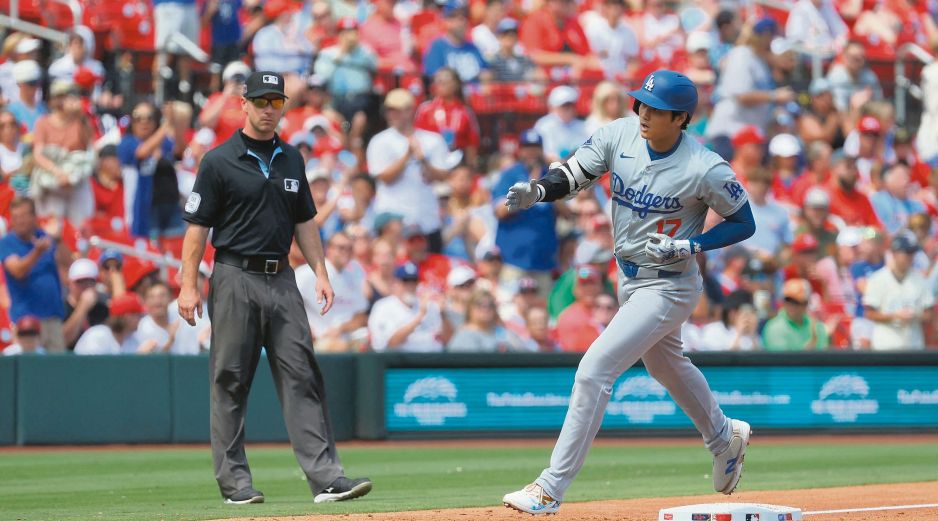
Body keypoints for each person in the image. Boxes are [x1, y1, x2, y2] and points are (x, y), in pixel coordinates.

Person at [501, 70, 756, 514]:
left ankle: (549, 488)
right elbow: (575, 172)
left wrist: (693, 244)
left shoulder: (704, 165)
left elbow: (744, 220)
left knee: (594, 370)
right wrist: (539, 189)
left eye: (655, 109)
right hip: (629, 277)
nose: (643, 112)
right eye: (641, 102)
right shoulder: (619, 134)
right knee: (665, 364)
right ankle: (724, 437)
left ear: (680, 118)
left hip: (670, 284)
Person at [177, 71, 371, 505]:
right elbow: (196, 231)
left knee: (302, 371)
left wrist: (320, 272)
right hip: (232, 274)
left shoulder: (291, 158)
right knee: (230, 378)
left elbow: (305, 221)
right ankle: (235, 484)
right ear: (243, 104)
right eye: (261, 101)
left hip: (281, 275)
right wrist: (188, 285)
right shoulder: (218, 160)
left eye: (276, 102)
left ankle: (326, 478)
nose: (268, 110)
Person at [366, 89, 452, 252]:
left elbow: (442, 175)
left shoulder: (432, 139)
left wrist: (423, 160)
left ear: (410, 111)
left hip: (426, 218)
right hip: (394, 219)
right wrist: (407, 155)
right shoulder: (380, 141)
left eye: (398, 111)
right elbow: (384, 177)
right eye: (390, 111)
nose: (393, 115)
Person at [705, 18, 795, 159]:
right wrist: (775, 96)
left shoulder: (761, 62)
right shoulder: (742, 54)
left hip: (750, 137)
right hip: (730, 133)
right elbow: (742, 96)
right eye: (769, 37)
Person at [0, 197, 70, 352]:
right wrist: (37, 252)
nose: (19, 221)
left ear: (34, 217)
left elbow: (68, 262)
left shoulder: (44, 237)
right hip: (26, 321)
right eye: (15, 217)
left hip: (52, 318)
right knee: (29, 369)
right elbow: (18, 271)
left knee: (57, 370)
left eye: (23, 216)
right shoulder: (7, 243)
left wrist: (58, 240)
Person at [491, 130, 559, 286]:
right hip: (513, 260)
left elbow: (568, 213)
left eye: (536, 148)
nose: (532, 153)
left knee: (542, 309)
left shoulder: (551, 175)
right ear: (520, 150)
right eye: (528, 148)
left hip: (544, 261)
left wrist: (551, 185)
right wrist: (528, 191)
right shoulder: (510, 174)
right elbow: (499, 211)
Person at [30, 80, 95, 225]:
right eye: (58, 96)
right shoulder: (43, 122)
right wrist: (58, 172)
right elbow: (38, 154)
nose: (62, 101)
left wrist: (81, 115)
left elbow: (89, 146)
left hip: (76, 181)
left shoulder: (79, 121)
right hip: (52, 182)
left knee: (81, 225)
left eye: (66, 96)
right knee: (53, 226)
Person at [295, 232, 370, 352]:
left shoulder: (354, 274)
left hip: (346, 338)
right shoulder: (306, 273)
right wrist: (308, 330)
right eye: (341, 248)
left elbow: (361, 316)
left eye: (349, 248)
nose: (345, 252)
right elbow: (290, 305)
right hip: (315, 339)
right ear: (328, 249)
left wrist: (340, 329)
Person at [862, 231, 934, 350]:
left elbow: (929, 314)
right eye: (906, 253)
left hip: (913, 346)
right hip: (885, 346)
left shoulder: (920, 280)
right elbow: (869, 313)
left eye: (912, 253)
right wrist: (895, 316)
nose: (910, 257)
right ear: (895, 254)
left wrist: (915, 315)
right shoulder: (878, 279)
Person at [368, 261, 447, 352]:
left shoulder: (429, 306)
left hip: (430, 362)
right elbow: (391, 343)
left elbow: (447, 341)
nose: (410, 286)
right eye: (406, 282)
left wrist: (443, 314)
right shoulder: (383, 307)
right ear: (396, 283)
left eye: (414, 281)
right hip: (396, 363)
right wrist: (420, 317)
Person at [422, 1, 488, 83]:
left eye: (464, 15)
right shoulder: (437, 47)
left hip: (475, 94)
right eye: (455, 16)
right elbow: (434, 78)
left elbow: (486, 73)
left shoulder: (473, 48)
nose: (461, 20)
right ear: (446, 20)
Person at [762, 278, 829, 351]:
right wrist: (807, 352)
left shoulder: (818, 327)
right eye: (788, 300)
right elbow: (780, 360)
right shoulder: (774, 327)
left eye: (797, 302)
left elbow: (824, 357)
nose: (792, 305)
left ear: (806, 303)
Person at [447, 290, 524, 352]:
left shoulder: (502, 333)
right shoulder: (463, 336)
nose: (486, 309)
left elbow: (522, 354)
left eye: (490, 305)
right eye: (479, 304)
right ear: (470, 309)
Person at [61, 258, 110, 349]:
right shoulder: (61, 308)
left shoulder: (102, 308)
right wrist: (83, 307)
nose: (86, 286)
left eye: (91, 282)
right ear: (70, 283)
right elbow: (63, 341)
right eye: (80, 282)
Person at [74, 292, 144, 355]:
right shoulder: (97, 335)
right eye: (137, 315)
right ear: (126, 317)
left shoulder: (132, 338)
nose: (140, 319)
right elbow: (93, 367)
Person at [554, 266, 604, 352]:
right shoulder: (569, 317)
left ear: (601, 287)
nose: (589, 289)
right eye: (584, 284)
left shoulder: (609, 310)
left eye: (592, 283)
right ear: (575, 290)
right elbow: (573, 353)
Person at [534, 86, 589, 163]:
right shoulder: (544, 125)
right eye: (564, 106)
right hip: (552, 169)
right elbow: (546, 154)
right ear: (553, 107)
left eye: (570, 105)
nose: (568, 109)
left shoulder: (582, 125)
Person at [826, 42, 883, 113]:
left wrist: (869, 102)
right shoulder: (837, 76)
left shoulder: (869, 76)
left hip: (867, 116)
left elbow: (880, 104)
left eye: (861, 57)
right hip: (843, 118)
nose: (858, 59)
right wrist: (854, 105)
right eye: (853, 57)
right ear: (844, 57)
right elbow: (838, 111)